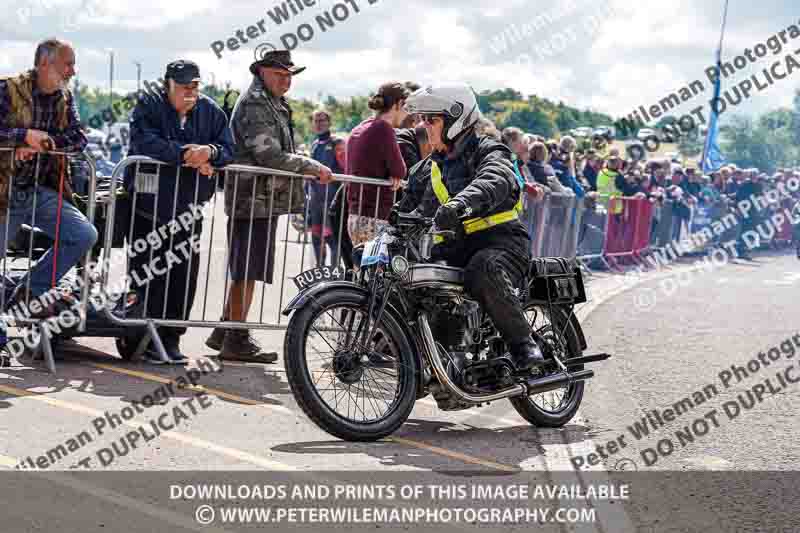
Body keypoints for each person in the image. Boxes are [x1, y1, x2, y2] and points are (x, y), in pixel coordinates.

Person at [400, 83, 544, 373]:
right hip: (456, 247)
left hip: (502, 243)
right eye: (423, 120)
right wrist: (392, 229)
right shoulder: (433, 165)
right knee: (412, 277)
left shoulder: (489, 149)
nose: (425, 126)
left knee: (483, 268)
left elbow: (495, 178)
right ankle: (436, 358)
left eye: (432, 120)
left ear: (456, 120)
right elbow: (414, 207)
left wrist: (459, 204)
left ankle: (524, 345)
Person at [205, 49, 332, 362]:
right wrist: (311, 166)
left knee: (249, 266)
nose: (287, 80)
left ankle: (226, 330)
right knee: (248, 268)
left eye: (289, 75)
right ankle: (235, 338)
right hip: (252, 199)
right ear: (261, 71)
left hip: (261, 199)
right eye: (280, 74)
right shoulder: (256, 104)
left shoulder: (272, 102)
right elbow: (270, 156)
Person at [127, 59, 234, 364]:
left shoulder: (211, 111)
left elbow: (228, 148)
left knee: (183, 276)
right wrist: (186, 154)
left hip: (188, 209)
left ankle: (171, 338)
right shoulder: (148, 104)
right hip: (148, 208)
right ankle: (141, 336)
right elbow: (143, 141)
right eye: (184, 86)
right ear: (168, 85)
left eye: (195, 86)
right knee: (147, 273)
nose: (191, 92)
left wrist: (210, 153)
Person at [0, 38, 98, 324]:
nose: (73, 71)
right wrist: (23, 137)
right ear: (45, 63)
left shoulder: (64, 98)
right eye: (68, 64)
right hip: (5, 192)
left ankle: (31, 291)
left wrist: (46, 142)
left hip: (39, 191)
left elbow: (79, 138)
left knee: (83, 235)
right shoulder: (6, 89)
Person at [345, 82, 406, 246]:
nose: (407, 114)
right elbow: (400, 170)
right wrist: (396, 176)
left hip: (354, 217)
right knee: (378, 271)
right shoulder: (384, 128)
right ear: (399, 104)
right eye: (406, 107)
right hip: (375, 218)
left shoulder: (359, 128)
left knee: (360, 269)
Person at [308, 108, 346, 267]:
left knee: (334, 241)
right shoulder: (315, 144)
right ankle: (319, 274)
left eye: (322, 120)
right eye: (316, 121)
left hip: (332, 201)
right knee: (317, 239)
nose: (319, 124)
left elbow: (345, 169)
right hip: (316, 201)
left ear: (329, 122)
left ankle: (334, 276)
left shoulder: (337, 142)